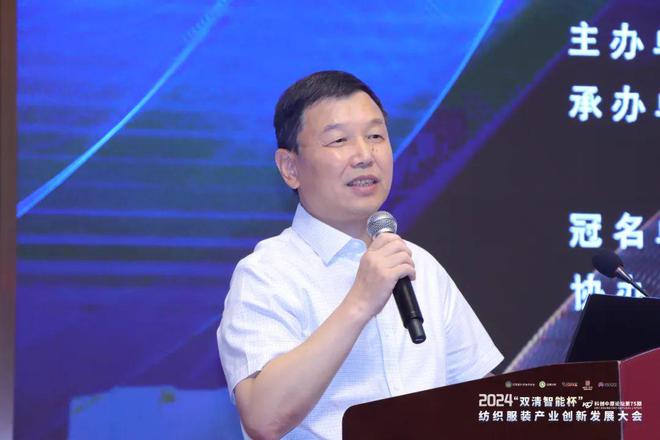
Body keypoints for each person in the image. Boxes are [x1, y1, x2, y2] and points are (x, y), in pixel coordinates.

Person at [218, 70, 503, 439]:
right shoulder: (266, 274)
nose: (365, 156)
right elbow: (263, 418)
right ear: (290, 168)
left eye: (375, 136)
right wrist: (360, 302)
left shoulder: (419, 265)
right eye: (339, 140)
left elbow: (479, 396)